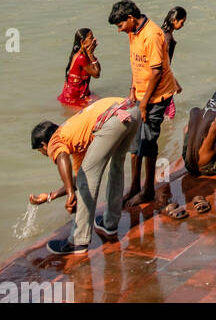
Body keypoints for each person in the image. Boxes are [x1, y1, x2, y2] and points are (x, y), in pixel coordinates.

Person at [30, 96, 140, 255]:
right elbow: (77, 179)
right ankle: (110, 223)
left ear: (43, 145)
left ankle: (78, 241)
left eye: (42, 152)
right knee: (116, 167)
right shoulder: (74, 135)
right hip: (131, 111)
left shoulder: (55, 139)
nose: (45, 155)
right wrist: (51, 196)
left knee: (89, 176)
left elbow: (62, 158)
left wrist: (70, 194)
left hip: (113, 117)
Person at [107, 0, 177, 207]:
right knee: (135, 142)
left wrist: (145, 103)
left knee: (148, 141)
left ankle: (147, 189)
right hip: (140, 95)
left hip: (157, 96)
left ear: (130, 18)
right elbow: (137, 64)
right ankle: (134, 186)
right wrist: (132, 91)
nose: (120, 30)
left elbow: (156, 72)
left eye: (120, 25)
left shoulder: (152, 34)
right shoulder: (133, 32)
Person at [58, 28, 101, 108]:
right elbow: (96, 74)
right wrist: (91, 54)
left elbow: (98, 70)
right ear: (82, 42)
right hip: (74, 98)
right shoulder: (81, 58)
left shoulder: (85, 54)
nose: (94, 39)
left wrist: (91, 54)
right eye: (91, 38)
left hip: (84, 94)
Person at [161, 7, 187, 120]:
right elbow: (163, 64)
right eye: (182, 22)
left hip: (159, 77)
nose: (183, 25)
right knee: (169, 113)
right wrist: (175, 84)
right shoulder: (168, 38)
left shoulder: (161, 33)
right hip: (163, 79)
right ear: (174, 20)